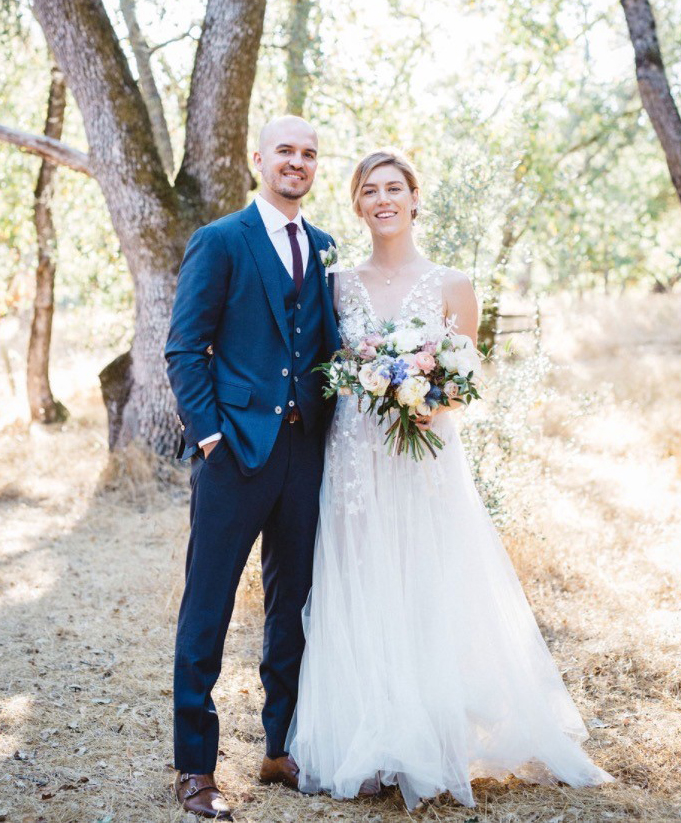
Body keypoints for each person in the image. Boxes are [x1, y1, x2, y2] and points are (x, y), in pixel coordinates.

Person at [286, 150, 613, 809]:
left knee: (423, 579)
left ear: (413, 198)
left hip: (424, 455)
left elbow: (464, 384)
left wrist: (423, 397)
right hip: (353, 455)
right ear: (356, 204)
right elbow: (327, 367)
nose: (383, 198)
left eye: (394, 187)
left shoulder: (452, 283)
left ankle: (430, 736)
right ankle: (369, 735)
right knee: (361, 579)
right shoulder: (337, 284)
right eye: (369, 189)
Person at [164, 115, 341, 819]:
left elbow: (326, 350)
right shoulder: (220, 240)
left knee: (291, 606)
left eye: (308, 154)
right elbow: (185, 348)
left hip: (304, 455)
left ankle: (278, 747)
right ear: (258, 159)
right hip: (233, 453)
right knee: (205, 608)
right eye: (285, 151)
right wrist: (209, 438)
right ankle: (195, 768)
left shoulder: (324, 249)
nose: (296, 163)